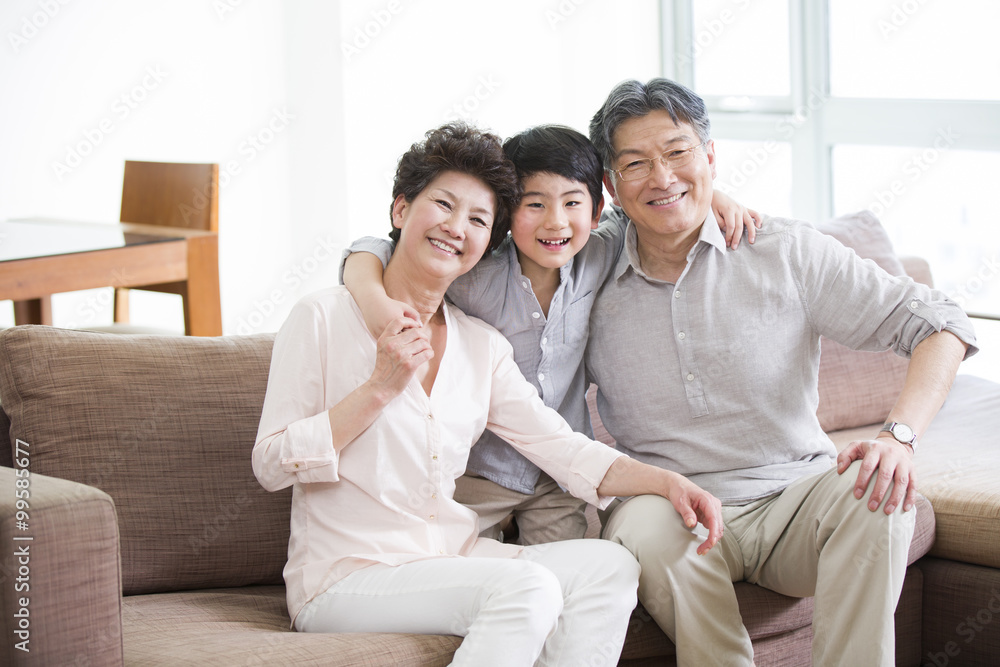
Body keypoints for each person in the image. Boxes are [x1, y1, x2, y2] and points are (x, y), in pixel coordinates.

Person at [252, 122, 724, 667]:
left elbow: (562, 448)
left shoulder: (481, 346)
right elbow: (270, 464)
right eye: (443, 206)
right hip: (346, 576)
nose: (457, 227)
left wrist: (669, 484)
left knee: (609, 566)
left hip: (447, 556)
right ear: (400, 210)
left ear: (488, 243)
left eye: (477, 219)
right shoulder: (323, 316)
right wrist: (380, 388)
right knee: (527, 587)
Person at [584, 77, 979, 666]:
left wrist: (899, 439)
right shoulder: (583, 268)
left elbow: (944, 324)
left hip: (796, 497)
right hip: (669, 505)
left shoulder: (784, 251)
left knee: (881, 493)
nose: (662, 177)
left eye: (677, 152)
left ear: (711, 157)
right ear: (612, 186)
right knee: (646, 530)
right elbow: (483, 234)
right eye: (636, 163)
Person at [341, 124, 759, 545]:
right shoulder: (471, 275)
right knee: (455, 564)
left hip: (559, 477)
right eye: (534, 204)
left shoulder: (600, 250)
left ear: (595, 213)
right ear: (506, 213)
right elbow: (378, 248)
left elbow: (647, 207)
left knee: (567, 580)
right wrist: (374, 300)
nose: (556, 221)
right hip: (481, 469)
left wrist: (713, 198)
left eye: (572, 203)